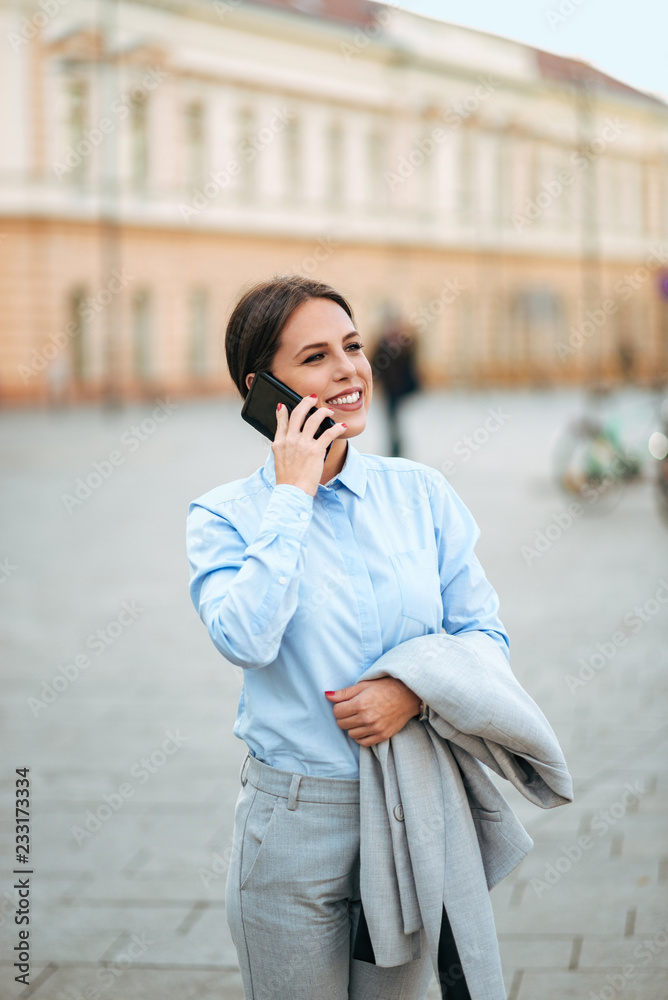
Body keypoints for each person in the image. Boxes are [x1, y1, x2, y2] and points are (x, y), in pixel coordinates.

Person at [186, 275, 510, 1000]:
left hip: (411, 808)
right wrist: (292, 495)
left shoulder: (421, 495)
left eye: (353, 347)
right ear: (263, 386)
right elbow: (245, 637)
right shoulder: (224, 517)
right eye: (316, 356)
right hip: (294, 824)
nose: (349, 371)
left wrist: (411, 693)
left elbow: (484, 633)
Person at [371, 316, 421, 457]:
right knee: (391, 419)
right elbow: (375, 363)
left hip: (402, 389)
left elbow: (410, 365)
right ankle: (395, 447)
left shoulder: (405, 344)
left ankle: (397, 447)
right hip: (389, 389)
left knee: (396, 419)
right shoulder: (382, 344)